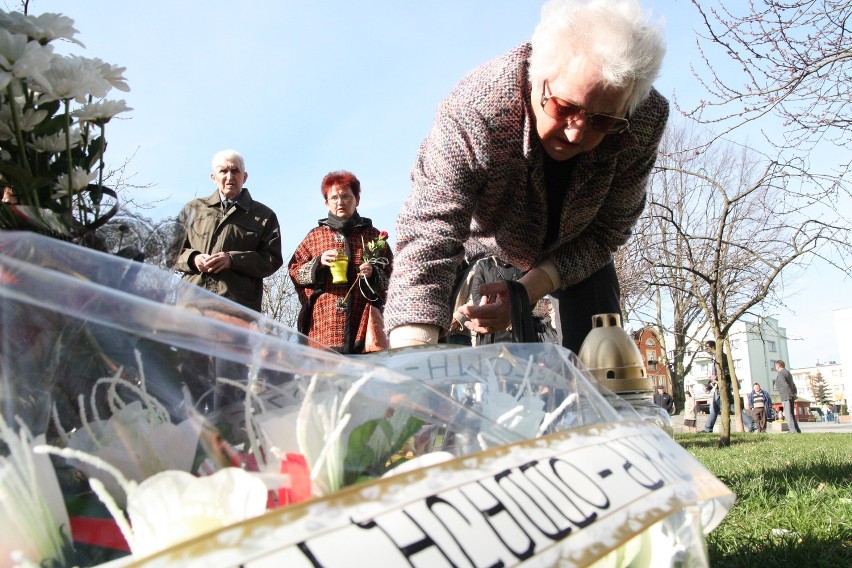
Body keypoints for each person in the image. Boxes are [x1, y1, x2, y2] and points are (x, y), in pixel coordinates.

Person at [384, 0, 668, 352]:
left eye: (602, 121)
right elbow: (430, 231)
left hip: (578, 248)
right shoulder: (476, 106)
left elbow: (608, 230)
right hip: (487, 246)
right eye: (564, 108)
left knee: (599, 359)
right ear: (539, 75)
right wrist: (410, 352)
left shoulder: (644, 119)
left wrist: (526, 291)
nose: (576, 134)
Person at [289, 171, 393, 354]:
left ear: (357, 199)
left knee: (362, 377)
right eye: (334, 197)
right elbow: (295, 272)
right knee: (326, 377)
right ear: (326, 202)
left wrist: (373, 274)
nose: (340, 202)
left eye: (346, 196)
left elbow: (394, 279)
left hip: (364, 322)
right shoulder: (316, 236)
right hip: (324, 324)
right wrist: (318, 263)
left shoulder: (373, 236)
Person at [173, 149, 283, 313]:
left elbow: (271, 259)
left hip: (237, 309)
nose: (230, 176)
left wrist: (233, 260)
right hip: (190, 306)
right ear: (213, 177)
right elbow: (170, 252)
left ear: (244, 177)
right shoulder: (193, 209)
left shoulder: (264, 215)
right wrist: (193, 259)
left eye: (235, 170)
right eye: (223, 171)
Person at [773, 360, 801, 433]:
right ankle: (797, 429)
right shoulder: (788, 373)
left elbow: (784, 385)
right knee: (791, 413)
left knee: (788, 413)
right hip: (790, 395)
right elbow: (793, 385)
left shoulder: (781, 374)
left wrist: (790, 394)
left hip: (786, 395)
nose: (775, 367)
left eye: (775, 366)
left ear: (778, 366)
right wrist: (794, 393)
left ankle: (792, 430)